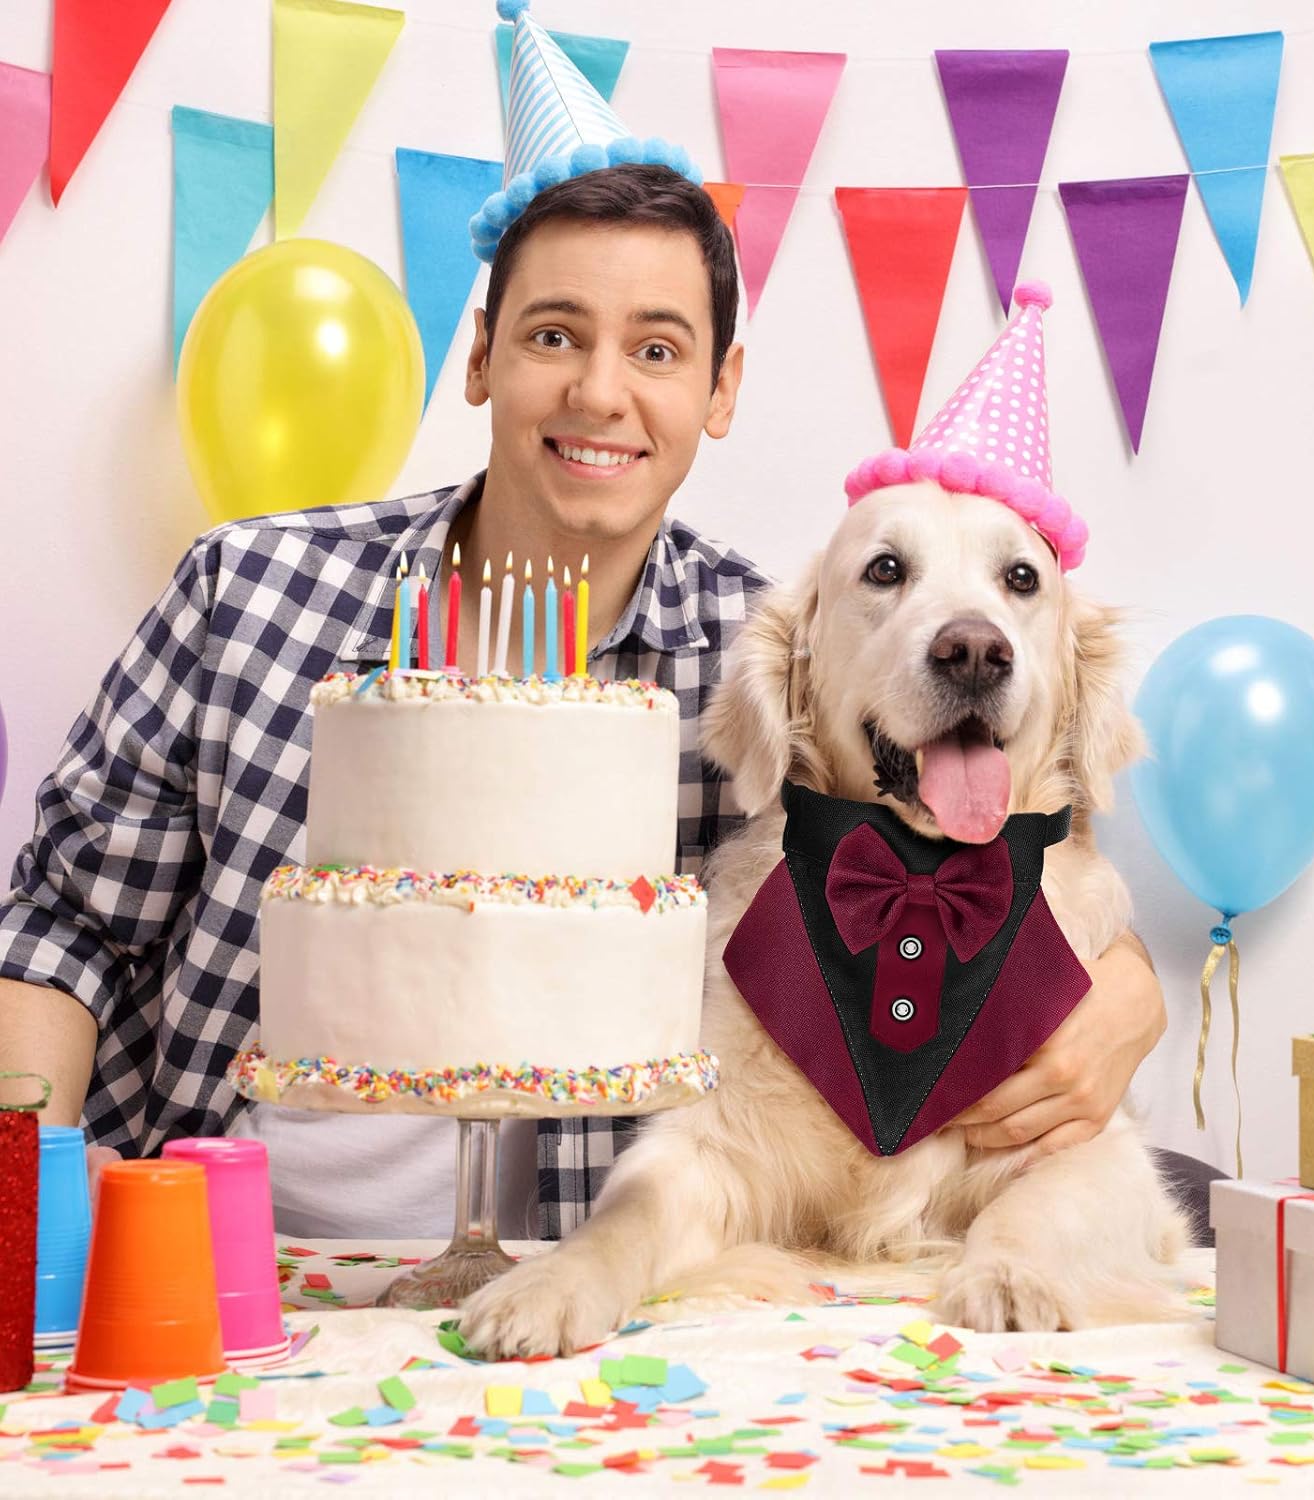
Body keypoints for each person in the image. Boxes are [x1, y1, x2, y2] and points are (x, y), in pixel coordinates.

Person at [0, 0, 1187, 1240]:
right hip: (226, 1264)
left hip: (578, 1279)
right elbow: (64, 928)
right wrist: (27, 1225)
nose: (600, 392)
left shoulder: (779, 654)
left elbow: (1002, 859)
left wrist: (1129, 994)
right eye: (554, 335)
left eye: (659, 349)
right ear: (479, 358)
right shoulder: (247, 592)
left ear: (722, 387)